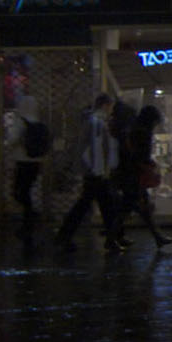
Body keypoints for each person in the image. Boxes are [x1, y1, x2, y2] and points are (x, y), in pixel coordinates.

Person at [55, 95, 121, 250]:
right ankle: (111, 238)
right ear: (106, 105)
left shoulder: (92, 122)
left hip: (93, 171)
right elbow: (97, 149)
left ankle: (65, 235)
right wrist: (101, 169)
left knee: (94, 204)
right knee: (98, 205)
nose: (111, 110)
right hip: (96, 172)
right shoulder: (97, 123)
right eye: (110, 106)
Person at [112, 104, 172, 249]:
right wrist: (146, 166)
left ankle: (157, 237)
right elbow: (138, 156)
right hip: (135, 175)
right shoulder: (142, 132)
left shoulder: (134, 130)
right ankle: (111, 237)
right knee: (130, 208)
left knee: (135, 208)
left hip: (132, 174)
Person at [11, 96, 48, 240]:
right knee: (26, 191)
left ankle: (29, 220)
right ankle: (31, 216)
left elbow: (11, 140)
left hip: (22, 161)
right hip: (35, 162)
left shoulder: (20, 122)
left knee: (20, 192)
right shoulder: (38, 122)